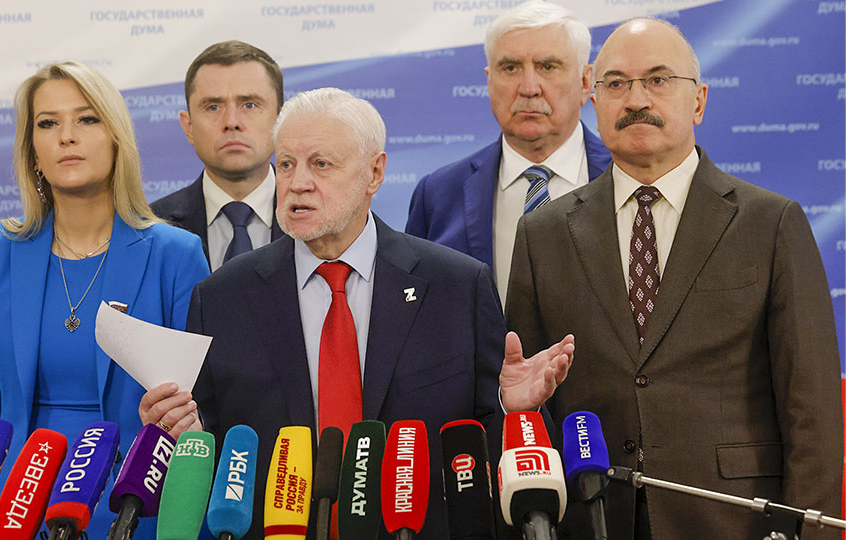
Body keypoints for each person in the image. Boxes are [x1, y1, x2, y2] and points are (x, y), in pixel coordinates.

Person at [500, 18, 842, 540]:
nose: (636, 99)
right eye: (616, 83)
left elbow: (811, 409)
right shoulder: (543, 233)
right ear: (594, 100)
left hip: (734, 521)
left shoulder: (770, 223)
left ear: (699, 101)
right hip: (593, 517)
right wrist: (513, 405)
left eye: (658, 80)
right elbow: (525, 391)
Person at [143, 87, 505, 539]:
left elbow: (491, 431)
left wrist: (517, 406)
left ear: (375, 173)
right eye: (286, 164)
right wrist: (185, 434)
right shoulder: (221, 298)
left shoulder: (457, 286)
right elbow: (214, 446)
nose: (297, 183)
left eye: (321, 164)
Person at [0, 62, 210, 538]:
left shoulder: (176, 254)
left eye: (86, 119)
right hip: (11, 510)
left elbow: (203, 412)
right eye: (48, 123)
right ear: (32, 150)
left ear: (116, 138)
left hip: (133, 508)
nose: (67, 136)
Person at [405, 0, 611, 306]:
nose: (529, 88)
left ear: (584, 82)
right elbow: (414, 310)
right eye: (510, 68)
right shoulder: (437, 194)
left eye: (548, 67)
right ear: (489, 82)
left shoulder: (628, 178)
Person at [151, 41, 285, 270]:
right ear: (188, 126)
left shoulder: (320, 221)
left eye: (249, 105)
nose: (231, 122)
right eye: (213, 107)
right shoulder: (151, 227)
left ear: (281, 121)